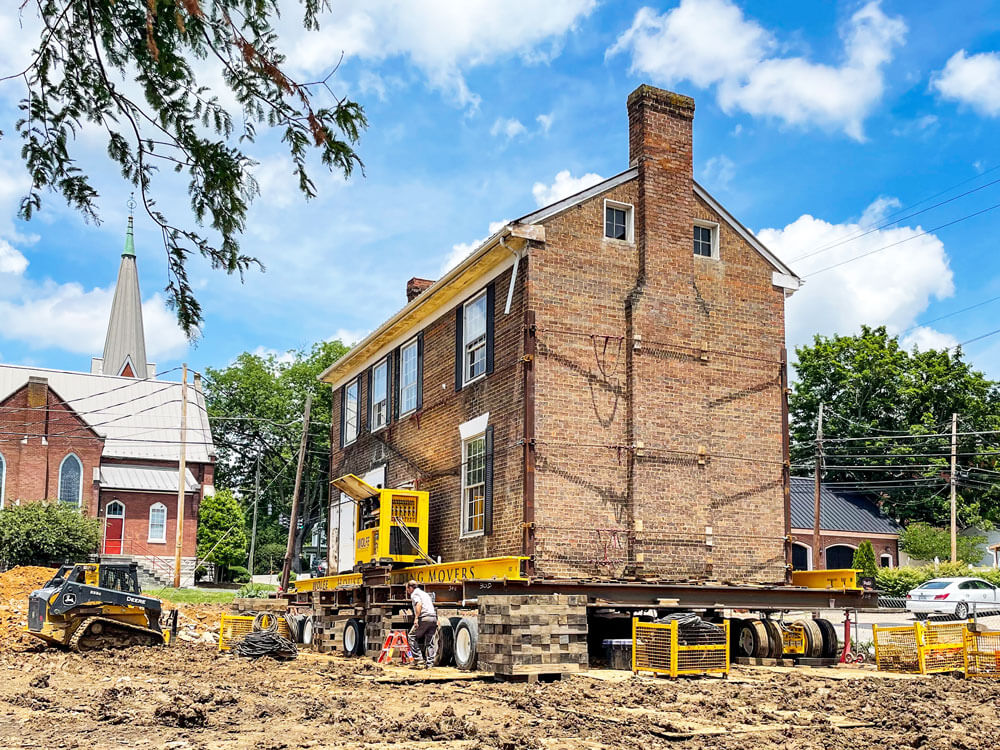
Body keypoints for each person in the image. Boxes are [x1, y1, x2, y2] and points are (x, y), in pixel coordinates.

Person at [406, 579, 437, 669]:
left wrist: (416, 618)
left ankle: (419, 659)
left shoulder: (415, 594)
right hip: (433, 618)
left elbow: (418, 604)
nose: (407, 591)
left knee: (411, 636)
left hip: (424, 618)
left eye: (407, 589)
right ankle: (430, 664)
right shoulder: (425, 594)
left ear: (411, 588)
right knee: (430, 642)